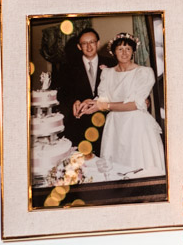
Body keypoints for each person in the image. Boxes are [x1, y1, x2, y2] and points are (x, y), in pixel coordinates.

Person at [76, 32, 166, 177]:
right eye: (120, 49)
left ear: (133, 52)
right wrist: (90, 102)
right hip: (115, 127)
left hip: (137, 127)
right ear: (113, 52)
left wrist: (104, 106)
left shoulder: (144, 72)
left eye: (128, 49)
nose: (124, 53)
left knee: (139, 168)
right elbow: (103, 99)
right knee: (116, 170)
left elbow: (136, 104)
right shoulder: (107, 73)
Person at [56, 28, 108, 156]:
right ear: (79, 47)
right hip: (80, 126)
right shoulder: (67, 67)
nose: (89, 46)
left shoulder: (111, 64)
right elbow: (62, 94)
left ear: (98, 43)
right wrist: (74, 101)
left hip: (107, 123)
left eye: (92, 42)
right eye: (84, 43)